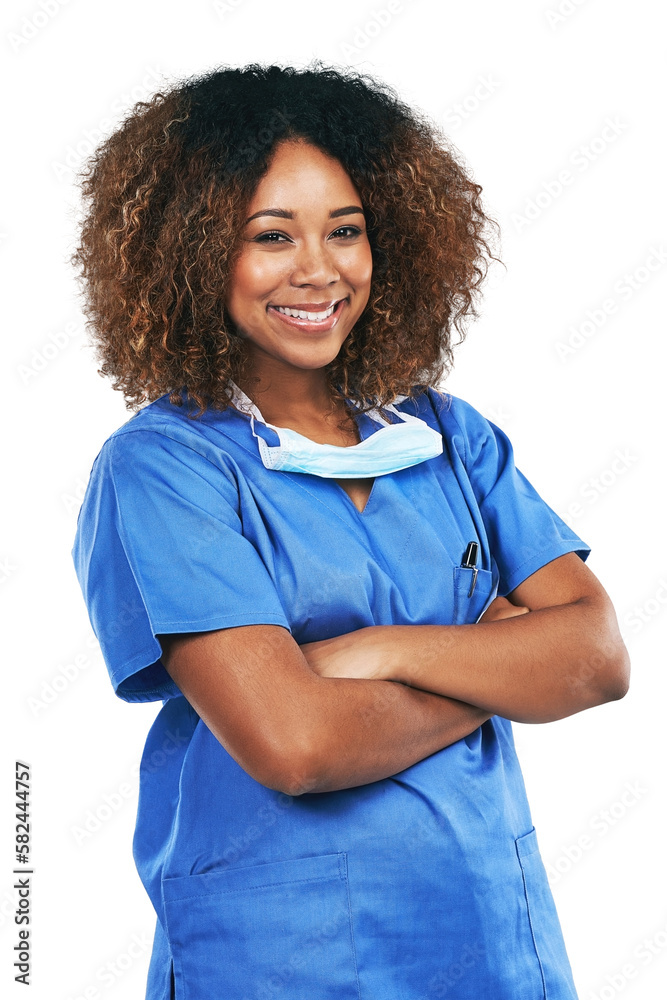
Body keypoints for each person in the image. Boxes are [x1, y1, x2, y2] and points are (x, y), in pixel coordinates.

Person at [70, 62, 630, 999]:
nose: (318, 269)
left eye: (346, 231)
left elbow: (597, 657)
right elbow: (296, 746)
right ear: (191, 253)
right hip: (280, 955)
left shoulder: (448, 437)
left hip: (491, 939)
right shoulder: (164, 469)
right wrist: (498, 667)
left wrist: (375, 651)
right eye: (270, 236)